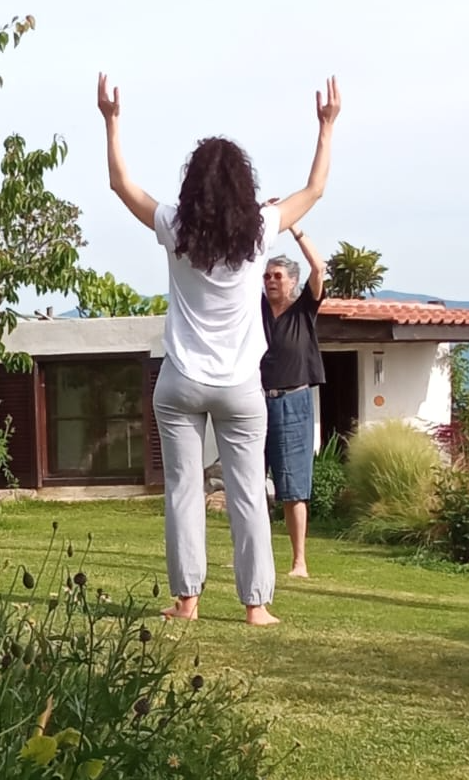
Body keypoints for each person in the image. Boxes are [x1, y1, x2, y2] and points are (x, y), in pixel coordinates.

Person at [97, 72, 341, 625]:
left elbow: (121, 184)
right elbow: (315, 190)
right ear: (242, 184)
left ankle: (187, 601)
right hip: (240, 386)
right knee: (249, 493)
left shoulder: (174, 225)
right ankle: (256, 606)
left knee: (184, 491)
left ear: (193, 186)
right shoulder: (260, 231)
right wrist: (326, 127)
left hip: (180, 380)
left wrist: (112, 121)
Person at [260, 228, 327, 578]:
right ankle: (255, 554)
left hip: (293, 403)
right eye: (267, 276)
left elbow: (319, 269)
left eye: (277, 276)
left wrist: (296, 230)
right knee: (251, 483)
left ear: (292, 282)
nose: (270, 281)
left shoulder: (304, 308)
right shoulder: (255, 309)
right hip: (256, 403)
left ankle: (299, 561)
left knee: (293, 487)